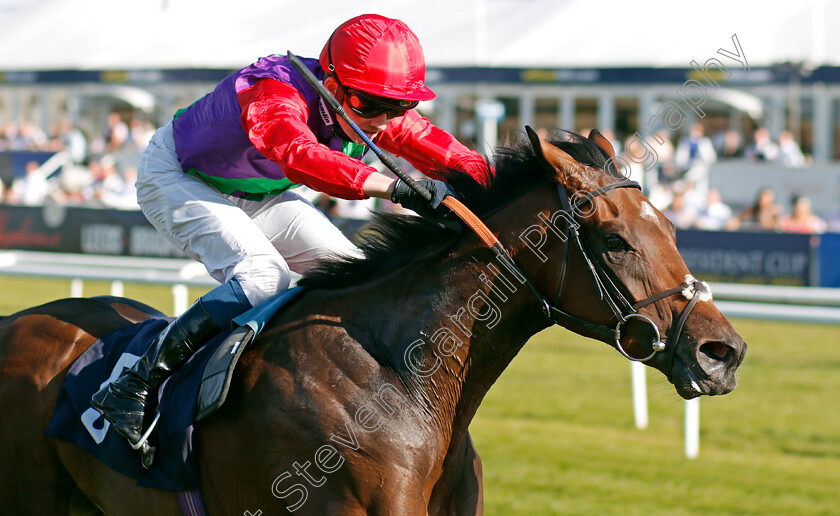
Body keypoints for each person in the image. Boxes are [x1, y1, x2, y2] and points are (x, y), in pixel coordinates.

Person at [91, 13, 487, 466]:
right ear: (333, 82)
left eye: (395, 108)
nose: (381, 120)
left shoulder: (368, 106)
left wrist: (505, 181)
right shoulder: (274, 89)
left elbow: (441, 148)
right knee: (263, 276)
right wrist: (394, 187)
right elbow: (296, 154)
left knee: (353, 270)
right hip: (179, 176)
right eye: (368, 104)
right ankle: (135, 384)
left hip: (258, 192)